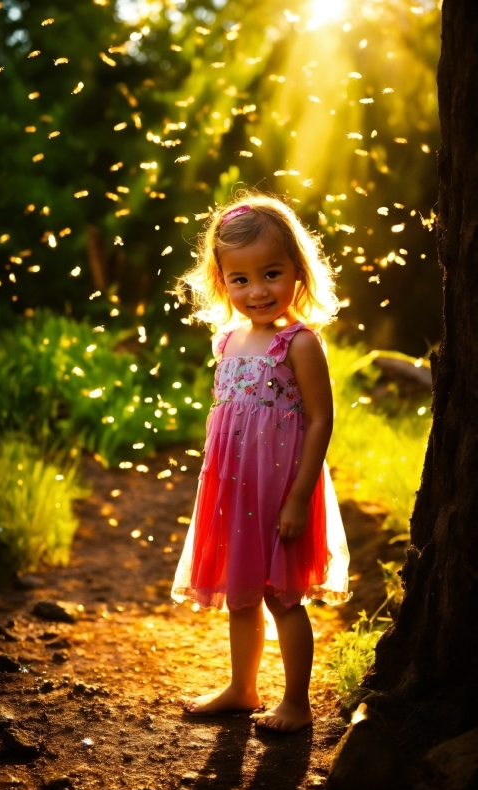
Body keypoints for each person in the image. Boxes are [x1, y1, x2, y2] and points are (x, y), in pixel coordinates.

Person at [172, 193, 350, 732]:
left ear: (298, 270)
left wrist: (299, 497)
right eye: (241, 279)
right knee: (240, 596)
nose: (257, 290)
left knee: (283, 598)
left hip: (280, 494)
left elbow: (320, 420)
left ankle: (296, 702)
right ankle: (242, 687)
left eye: (271, 274)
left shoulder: (299, 343)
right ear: (221, 280)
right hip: (233, 491)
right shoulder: (228, 340)